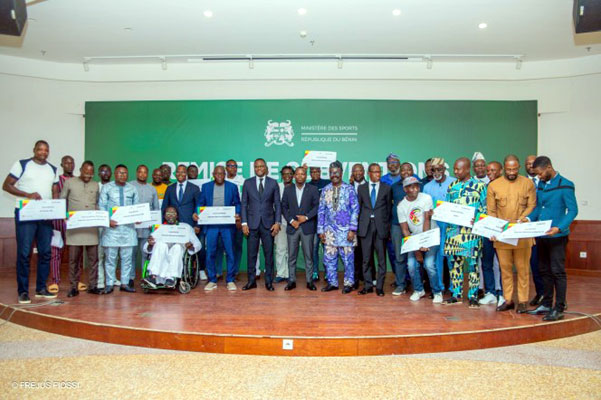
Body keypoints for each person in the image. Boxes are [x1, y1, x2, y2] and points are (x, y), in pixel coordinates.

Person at [3, 140, 59, 304]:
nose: (43, 152)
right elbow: (6, 185)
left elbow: (55, 191)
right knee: (24, 252)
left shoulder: (53, 169)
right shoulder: (22, 164)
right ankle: (23, 291)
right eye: (40, 149)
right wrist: (27, 195)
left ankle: (41, 288)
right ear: (34, 150)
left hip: (45, 215)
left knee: (45, 252)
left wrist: (54, 208)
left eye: (46, 150)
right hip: (26, 213)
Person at [527, 156, 578, 321]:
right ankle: (546, 304)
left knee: (557, 272)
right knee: (543, 270)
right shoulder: (541, 185)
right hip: (542, 235)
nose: (539, 177)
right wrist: (527, 219)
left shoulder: (566, 184)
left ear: (549, 167)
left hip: (557, 236)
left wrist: (559, 227)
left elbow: (572, 211)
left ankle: (559, 307)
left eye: (540, 173)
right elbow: (538, 208)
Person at [487, 155, 537, 313]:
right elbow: (491, 211)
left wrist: (521, 220)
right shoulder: (494, 185)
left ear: (519, 167)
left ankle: (522, 301)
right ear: (504, 169)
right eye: (508, 169)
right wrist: (494, 229)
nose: (511, 172)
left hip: (522, 235)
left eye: (514, 169)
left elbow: (532, 205)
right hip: (503, 236)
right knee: (505, 269)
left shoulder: (528, 183)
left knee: (523, 269)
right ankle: (508, 300)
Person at [443, 157, 487, 308]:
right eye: (454, 169)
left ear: (468, 169)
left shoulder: (480, 186)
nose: (456, 171)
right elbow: (447, 207)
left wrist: (477, 218)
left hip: (471, 233)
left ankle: (473, 296)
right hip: (453, 232)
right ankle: (456, 295)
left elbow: (485, 208)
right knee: (454, 265)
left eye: (459, 169)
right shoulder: (452, 186)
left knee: (473, 265)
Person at [397, 176, 443, 303]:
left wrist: (425, 242)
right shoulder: (401, 206)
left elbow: (427, 220)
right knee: (411, 265)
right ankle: (418, 290)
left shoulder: (426, 198)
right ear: (405, 189)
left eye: (417, 186)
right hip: (414, 238)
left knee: (429, 264)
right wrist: (416, 249)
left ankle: (437, 292)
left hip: (430, 235)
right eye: (411, 187)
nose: (415, 189)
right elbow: (405, 230)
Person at [60, 160, 102, 297]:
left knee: (93, 259)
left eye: (91, 173)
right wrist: (64, 216)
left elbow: (97, 203)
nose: (88, 175)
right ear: (80, 170)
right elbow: (62, 200)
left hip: (91, 227)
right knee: (74, 260)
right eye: (86, 172)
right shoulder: (69, 182)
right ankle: (73, 287)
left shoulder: (95, 185)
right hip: (75, 227)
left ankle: (93, 286)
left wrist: (100, 216)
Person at [195, 166, 241, 291]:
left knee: (230, 252)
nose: (220, 175)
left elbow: (237, 203)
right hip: (211, 225)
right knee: (210, 252)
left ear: (225, 174)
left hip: (227, 225)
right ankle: (212, 280)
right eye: (217, 173)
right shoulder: (206, 187)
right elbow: (200, 203)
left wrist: (237, 213)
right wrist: (197, 212)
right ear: (213, 174)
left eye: (222, 173)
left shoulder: (232, 187)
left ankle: (230, 280)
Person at [317, 161, 359, 293]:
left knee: (348, 259)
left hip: (346, 231)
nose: (334, 175)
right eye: (331, 172)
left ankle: (348, 283)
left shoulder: (349, 189)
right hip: (329, 232)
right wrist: (320, 230)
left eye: (336, 172)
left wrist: (352, 229)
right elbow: (321, 211)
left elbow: (355, 209)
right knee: (329, 259)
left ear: (341, 173)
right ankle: (332, 282)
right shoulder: (325, 190)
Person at [240, 158, 281, 291]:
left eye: (261, 166)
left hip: (268, 225)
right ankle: (251, 281)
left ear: (266, 168)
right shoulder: (248, 183)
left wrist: (277, 222)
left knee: (269, 255)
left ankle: (269, 282)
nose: (259, 168)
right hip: (252, 224)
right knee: (251, 255)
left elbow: (277, 204)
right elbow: (244, 204)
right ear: (254, 168)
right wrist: (244, 223)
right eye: (256, 166)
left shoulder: (273, 183)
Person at [98, 164, 139, 294]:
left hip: (128, 229)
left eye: (125, 173)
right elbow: (101, 206)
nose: (122, 175)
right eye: (120, 173)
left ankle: (124, 283)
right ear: (115, 174)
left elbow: (136, 207)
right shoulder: (107, 188)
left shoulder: (132, 189)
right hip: (112, 229)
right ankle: (109, 284)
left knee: (127, 259)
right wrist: (107, 220)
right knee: (110, 258)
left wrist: (138, 217)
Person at [281, 166, 320, 291]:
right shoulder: (288, 189)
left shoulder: (312, 189)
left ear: (306, 176)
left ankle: (309, 281)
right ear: (294, 176)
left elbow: (317, 207)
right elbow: (283, 207)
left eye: (302, 174)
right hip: (293, 227)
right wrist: (292, 221)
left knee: (309, 256)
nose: (300, 176)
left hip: (307, 227)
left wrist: (306, 217)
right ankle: (291, 281)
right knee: (292, 256)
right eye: (297, 174)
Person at [143, 206, 201, 288]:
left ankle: (171, 278)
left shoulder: (186, 227)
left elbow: (197, 244)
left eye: (173, 213)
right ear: (164, 216)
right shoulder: (159, 228)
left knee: (177, 247)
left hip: (177, 253)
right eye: (168, 213)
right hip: (161, 254)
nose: (170, 215)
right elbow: (146, 247)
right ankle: (153, 276)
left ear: (177, 215)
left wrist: (190, 247)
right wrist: (150, 244)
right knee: (161, 245)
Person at [357, 163, 392, 296]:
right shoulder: (361, 188)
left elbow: (388, 209)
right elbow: (359, 208)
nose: (378, 174)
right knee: (366, 259)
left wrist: (387, 228)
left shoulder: (386, 188)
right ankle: (367, 286)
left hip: (380, 227)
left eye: (379, 172)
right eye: (375, 172)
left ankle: (380, 287)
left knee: (381, 259)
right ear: (369, 173)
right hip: (365, 226)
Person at [423, 158, 456, 293]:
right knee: (437, 259)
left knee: (452, 258)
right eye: (433, 170)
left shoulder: (454, 183)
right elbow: (426, 208)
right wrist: (430, 213)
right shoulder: (427, 187)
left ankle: (455, 289)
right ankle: (439, 288)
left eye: (439, 169)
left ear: (444, 169)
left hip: (452, 227)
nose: (436, 172)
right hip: (436, 227)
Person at [48, 155, 75, 293]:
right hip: (58, 219)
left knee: (76, 251)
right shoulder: (56, 180)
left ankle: (75, 281)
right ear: (62, 165)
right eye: (67, 163)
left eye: (72, 163)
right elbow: (54, 198)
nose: (70, 165)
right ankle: (55, 281)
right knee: (56, 250)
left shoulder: (77, 180)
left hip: (73, 219)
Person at [130, 165, 160, 286]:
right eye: (140, 172)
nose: (142, 174)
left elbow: (156, 209)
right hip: (132, 228)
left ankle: (145, 278)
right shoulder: (130, 186)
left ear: (147, 174)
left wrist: (153, 224)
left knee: (146, 253)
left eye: (145, 172)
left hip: (147, 229)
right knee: (131, 254)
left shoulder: (152, 189)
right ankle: (130, 278)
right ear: (137, 173)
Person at [350, 163, 374, 289]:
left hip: (367, 225)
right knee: (354, 254)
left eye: (360, 171)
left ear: (364, 172)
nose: (358, 173)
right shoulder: (348, 187)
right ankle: (355, 280)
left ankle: (369, 279)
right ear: (352, 173)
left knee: (368, 253)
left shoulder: (370, 186)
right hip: (352, 226)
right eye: (355, 171)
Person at [525, 154, 544, 306]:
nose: (531, 166)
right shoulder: (522, 182)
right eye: (528, 163)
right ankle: (540, 293)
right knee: (534, 263)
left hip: (545, 229)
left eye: (533, 163)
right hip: (527, 228)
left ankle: (550, 295)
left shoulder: (545, 181)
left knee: (548, 265)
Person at [307, 166, 330, 282]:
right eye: (312, 171)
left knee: (327, 248)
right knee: (314, 248)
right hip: (313, 222)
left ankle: (328, 272)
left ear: (320, 172)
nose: (315, 173)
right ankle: (315, 271)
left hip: (326, 222)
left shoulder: (327, 183)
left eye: (317, 171)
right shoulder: (307, 185)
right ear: (310, 173)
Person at [274, 166, 294, 283]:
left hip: (294, 223)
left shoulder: (297, 187)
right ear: (282, 175)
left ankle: (290, 274)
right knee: (281, 248)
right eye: (285, 174)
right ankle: (281, 273)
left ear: (293, 175)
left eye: (290, 173)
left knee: (291, 250)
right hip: (281, 222)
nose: (287, 176)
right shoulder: (277, 187)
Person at [96, 164, 112, 289]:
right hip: (100, 224)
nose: (105, 173)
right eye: (102, 171)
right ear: (98, 173)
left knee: (111, 254)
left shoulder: (114, 187)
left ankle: (112, 279)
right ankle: (100, 280)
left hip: (112, 224)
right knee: (100, 253)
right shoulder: (95, 186)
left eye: (107, 171)